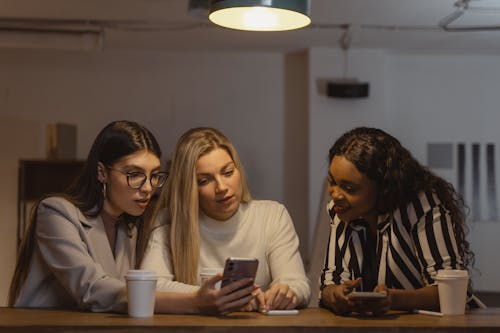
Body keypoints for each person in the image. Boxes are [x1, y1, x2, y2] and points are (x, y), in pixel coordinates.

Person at [141, 127, 311, 314]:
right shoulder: (169, 223)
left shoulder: (272, 215)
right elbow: (148, 289)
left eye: (228, 172)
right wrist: (208, 297)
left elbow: (298, 283)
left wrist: (288, 292)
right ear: (188, 188)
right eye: (204, 180)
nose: (221, 187)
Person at [9, 120, 167, 312]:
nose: (148, 188)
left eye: (155, 175)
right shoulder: (55, 212)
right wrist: (192, 302)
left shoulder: (128, 226)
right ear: (102, 173)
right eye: (134, 174)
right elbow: (92, 288)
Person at [320, 127, 476, 316]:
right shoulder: (340, 211)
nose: (335, 195)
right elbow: (330, 282)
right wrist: (335, 295)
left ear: (383, 187)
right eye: (332, 181)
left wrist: (394, 299)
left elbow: (453, 292)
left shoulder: (419, 206)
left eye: (349, 188)